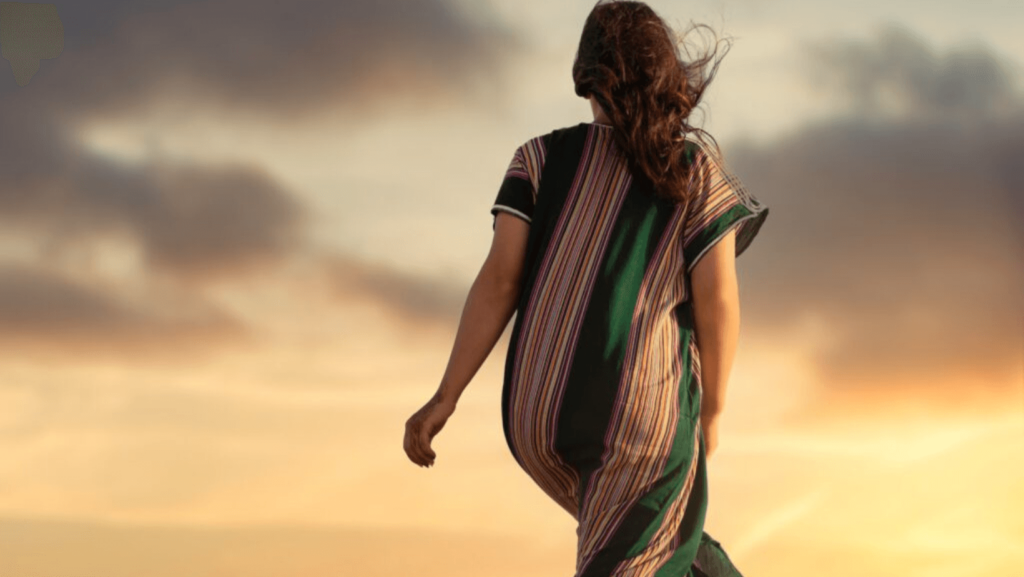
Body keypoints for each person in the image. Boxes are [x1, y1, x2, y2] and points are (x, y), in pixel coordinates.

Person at [403, 1, 768, 575]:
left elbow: (500, 280)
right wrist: (712, 415)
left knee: (650, 537)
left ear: (586, 79)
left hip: (536, 414)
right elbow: (718, 299)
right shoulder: (693, 169)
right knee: (645, 534)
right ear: (667, 77)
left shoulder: (539, 159)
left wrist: (446, 396)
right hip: (639, 422)